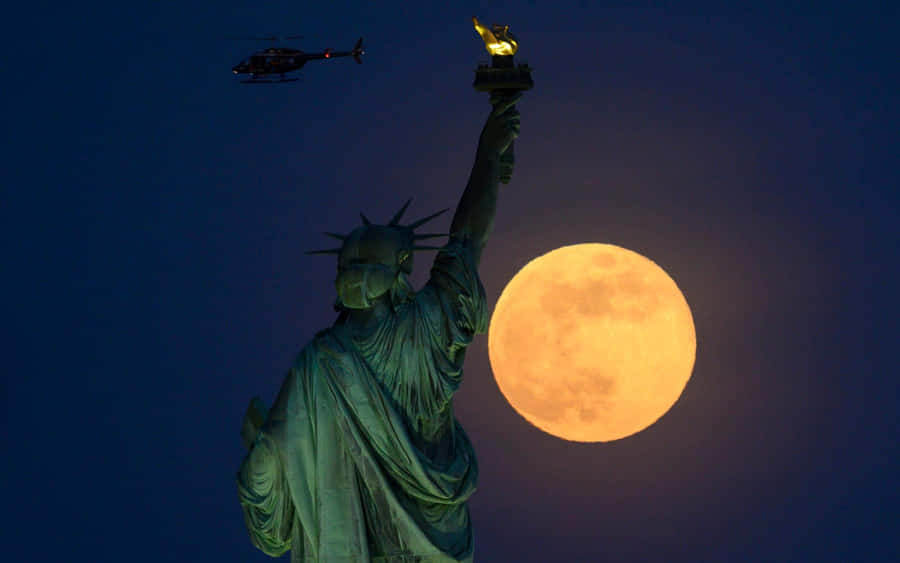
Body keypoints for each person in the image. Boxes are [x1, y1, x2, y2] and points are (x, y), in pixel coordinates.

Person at [236, 93, 521, 562]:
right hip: (436, 538)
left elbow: (268, 468)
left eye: (360, 264)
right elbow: (468, 238)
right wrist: (488, 155)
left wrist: (489, 157)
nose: (355, 274)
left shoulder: (324, 359)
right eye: (354, 264)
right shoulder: (414, 332)